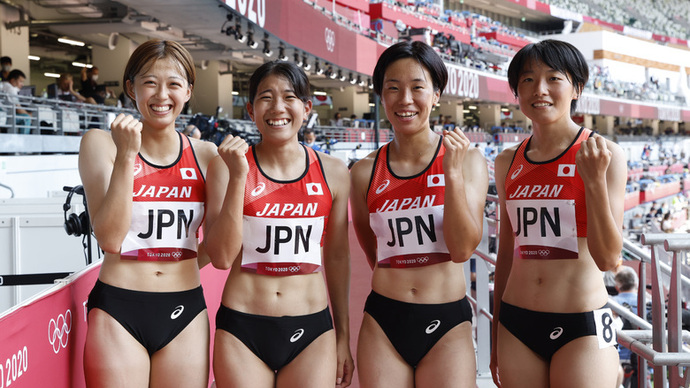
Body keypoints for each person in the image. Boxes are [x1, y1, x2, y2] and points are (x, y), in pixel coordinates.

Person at [205, 60, 354, 387]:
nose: (278, 108)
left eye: (289, 97)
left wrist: (343, 335)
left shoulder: (334, 171)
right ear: (250, 109)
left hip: (312, 329)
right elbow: (220, 257)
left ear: (307, 107)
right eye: (266, 97)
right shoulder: (226, 167)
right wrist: (238, 178)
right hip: (243, 327)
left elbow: (338, 257)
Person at [79, 39, 217, 387]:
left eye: (173, 84)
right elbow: (110, 239)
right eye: (150, 82)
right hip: (118, 307)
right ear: (131, 87)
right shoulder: (100, 143)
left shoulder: (206, 154)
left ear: (187, 90)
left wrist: (173, 259)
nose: (161, 95)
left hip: (184, 309)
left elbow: (219, 247)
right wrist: (128, 156)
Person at [490, 39, 627, 387]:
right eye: (527, 80)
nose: (540, 90)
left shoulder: (605, 154)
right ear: (516, 92)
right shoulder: (507, 161)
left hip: (583, 323)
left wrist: (593, 181)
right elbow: (506, 252)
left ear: (576, 87)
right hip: (517, 324)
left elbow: (610, 259)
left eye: (554, 78)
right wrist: (494, 330)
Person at [350, 41, 487, 387]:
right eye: (392, 88)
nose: (405, 100)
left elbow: (462, 250)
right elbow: (374, 251)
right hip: (384, 319)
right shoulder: (365, 171)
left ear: (437, 94)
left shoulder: (467, 160)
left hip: (446, 321)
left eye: (417, 88)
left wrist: (451, 175)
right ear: (381, 96)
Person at [0, 69, 32, 134]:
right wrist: (29, 115)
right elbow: (18, 109)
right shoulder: (11, 89)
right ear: (13, 80)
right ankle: (24, 141)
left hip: (3, 115)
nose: (22, 84)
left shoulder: (3, 85)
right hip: (4, 117)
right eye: (20, 81)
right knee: (26, 118)